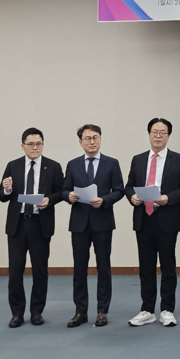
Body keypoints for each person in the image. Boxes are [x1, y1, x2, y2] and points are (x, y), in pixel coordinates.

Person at [125, 118, 180, 327]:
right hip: (143, 218)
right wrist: (132, 197)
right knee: (145, 266)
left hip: (166, 218)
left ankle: (167, 309)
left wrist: (168, 198)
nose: (158, 136)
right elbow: (129, 186)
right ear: (148, 134)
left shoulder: (179, 160)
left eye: (163, 132)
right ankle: (147, 309)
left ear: (168, 136)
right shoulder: (138, 159)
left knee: (167, 266)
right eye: (154, 131)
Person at [0, 127, 64, 328]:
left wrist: (48, 200)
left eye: (39, 143)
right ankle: (17, 313)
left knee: (40, 270)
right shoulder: (13, 166)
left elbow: (61, 192)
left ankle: (37, 312)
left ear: (43, 144)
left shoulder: (53, 166)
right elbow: (2, 195)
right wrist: (7, 189)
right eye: (31, 144)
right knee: (15, 271)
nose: (35, 147)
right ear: (23, 146)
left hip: (39, 224)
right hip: (17, 224)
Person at [62, 124, 125, 328]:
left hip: (102, 221)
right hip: (79, 223)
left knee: (103, 267)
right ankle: (80, 311)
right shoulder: (73, 164)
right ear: (80, 142)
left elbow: (119, 190)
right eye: (87, 138)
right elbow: (64, 190)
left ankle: (102, 311)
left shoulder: (111, 163)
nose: (92, 142)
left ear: (100, 139)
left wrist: (105, 200)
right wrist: (69, 196)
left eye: (95, 137)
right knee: (79, 268)